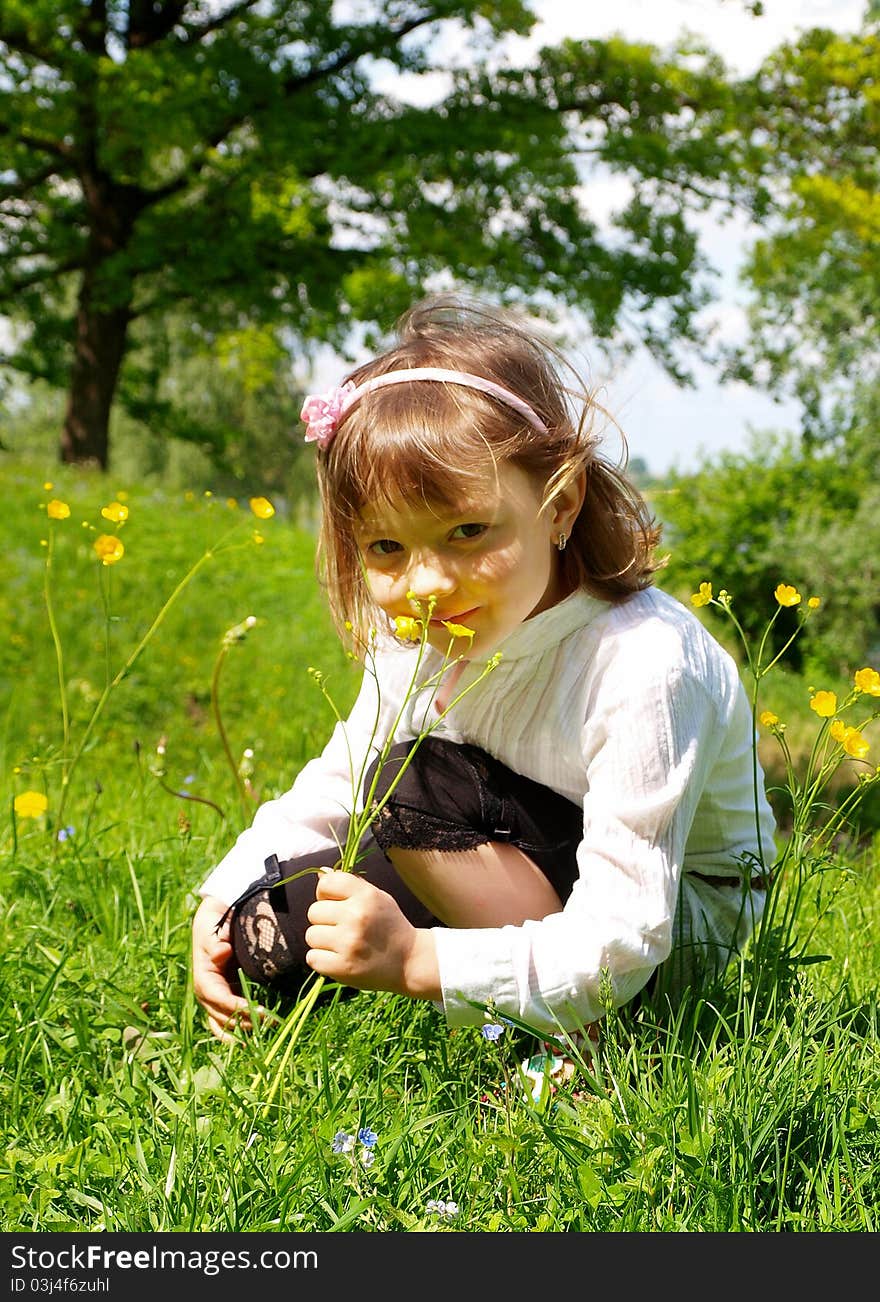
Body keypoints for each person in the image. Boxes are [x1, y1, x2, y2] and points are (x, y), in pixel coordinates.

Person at [192, 294, 776, 1045]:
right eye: (385, 549)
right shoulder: (423, 630)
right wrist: (220, 897)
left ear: (560, 505)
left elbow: (629, 934)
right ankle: (479, 974)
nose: (427, 583)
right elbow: (340, 778)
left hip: (671, 929)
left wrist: (415, 959)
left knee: (407, 783)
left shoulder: (643, 661)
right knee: (268, 930)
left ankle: (589, 1044)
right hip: (492, 843)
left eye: (468, 531)